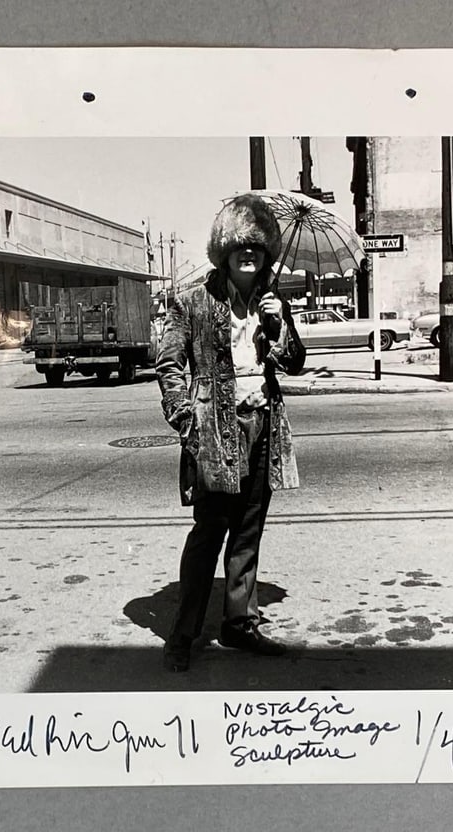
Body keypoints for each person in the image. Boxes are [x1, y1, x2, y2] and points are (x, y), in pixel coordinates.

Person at [156, 193, 306, 672]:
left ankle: (239, 625)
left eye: (258, 248)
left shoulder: (270, 304)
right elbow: (169, 363)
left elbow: (295, 365)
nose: (249, 254)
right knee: (208, 535)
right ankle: (183, 635)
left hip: (262, 424)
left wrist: (278, 327)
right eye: (241, 246)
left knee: (248, 533)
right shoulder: (193, 301)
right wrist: (186, 419)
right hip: (214, 430)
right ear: (224, 251)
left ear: (266, 256)